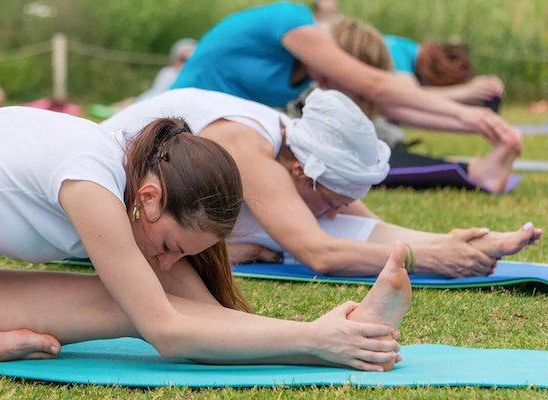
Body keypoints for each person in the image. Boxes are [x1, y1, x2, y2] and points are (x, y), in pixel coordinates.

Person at [0, 106, 407, 375]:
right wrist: (314, 337)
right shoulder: (90, 180)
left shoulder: (142, 182)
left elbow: (196, 316)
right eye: (174, 244)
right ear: (150, 198)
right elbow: (168, 335)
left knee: (132, 303)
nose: (170, 259)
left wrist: (326, 338)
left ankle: (348, 333)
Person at [101, 88, 541, 276]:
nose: (337, 209)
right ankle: (230, 250)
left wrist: (454, 242)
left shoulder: (297, 148)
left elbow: (363, 224)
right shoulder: (249, 149)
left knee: (301, 231)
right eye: (332, 199)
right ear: (302, 174)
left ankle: (231, 249)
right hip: (103, 213)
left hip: (153, 203)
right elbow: (321, 254)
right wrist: (425, 260)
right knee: (298, 237)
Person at [170, 2, 522, 154]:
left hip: (211, 129)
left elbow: (387, 106)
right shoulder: (290, 21)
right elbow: (377, 86)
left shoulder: (306, 71)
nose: (335, 83)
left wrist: (477, 126)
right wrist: (468, 110)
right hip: (178, 120)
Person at [304, 18, 519, 193]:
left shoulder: (388, 52)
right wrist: (467, 102)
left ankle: (473, 172)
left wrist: (483, 124)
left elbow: (401, 110)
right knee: (360, 161)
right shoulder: (395, 52)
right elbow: (405, 100)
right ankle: (474, 172)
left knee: (370, 152)